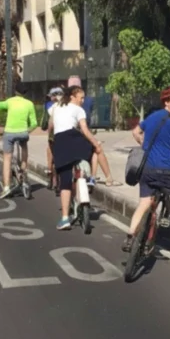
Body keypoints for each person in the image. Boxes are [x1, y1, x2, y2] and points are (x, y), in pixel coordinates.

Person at [121, 85, 170, 252]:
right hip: (167, 171)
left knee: (144, 203)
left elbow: (136, 132)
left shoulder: (152, 117)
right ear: (166, 102)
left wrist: (145, 146)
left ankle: (129, 236)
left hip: (147, 170)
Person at [50, 85, 102, 230]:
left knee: (65, 182)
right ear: (73, 97)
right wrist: (96, 144)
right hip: (74, 138)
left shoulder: (56, 107)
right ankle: (91, 177)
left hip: (60, 141)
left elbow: (51, 126)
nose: (83, 100)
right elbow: (84, 130)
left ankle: (65, 218)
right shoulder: (79, 110)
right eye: (81, 97)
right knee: (94, 151)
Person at [0, 83, 38, 198]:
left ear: (15, 91)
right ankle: (23, 171)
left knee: (7, 159)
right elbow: (34, 123)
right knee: (24, 145)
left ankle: (6, 187)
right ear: (25, 93)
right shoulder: (29, 104)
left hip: (9, 133)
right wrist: (27, 131)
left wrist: (5, 106)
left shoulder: (10, 102)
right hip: (23, 133)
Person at [40, 87, 62, 188]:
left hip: (53, 135)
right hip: (66, 135)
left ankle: (51, 177)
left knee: (50, 153)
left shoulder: (48, 106)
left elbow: (44, 125)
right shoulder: (68, 105)